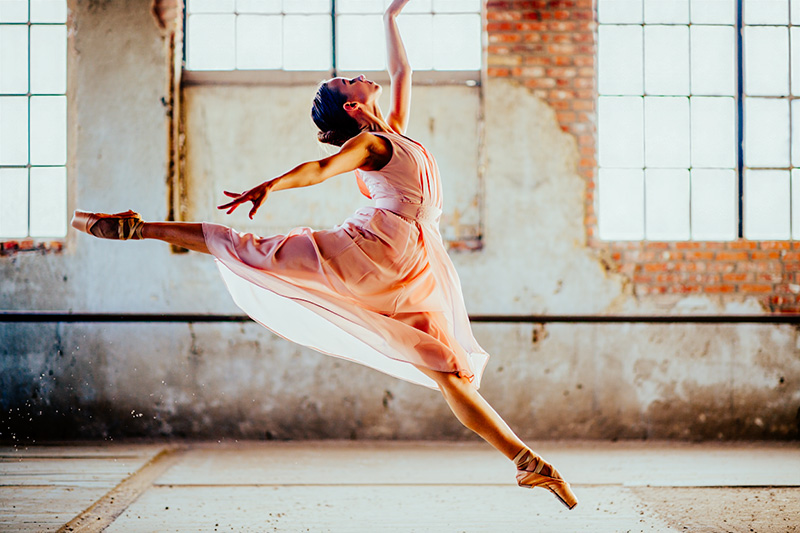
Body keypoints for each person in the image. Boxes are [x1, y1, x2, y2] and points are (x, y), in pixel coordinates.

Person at [72, 0, 577, 509]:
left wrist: (390, 17)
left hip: (410, 262)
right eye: (348, 83)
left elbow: (403, 70)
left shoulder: (393, 129)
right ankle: (141, 228)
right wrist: (271, 185)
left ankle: (527, 463)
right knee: (250, 249)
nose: (359, 76)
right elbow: (319, 168)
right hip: (374, 250)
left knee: (447, 367)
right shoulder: (371, 145)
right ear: (354, 109)